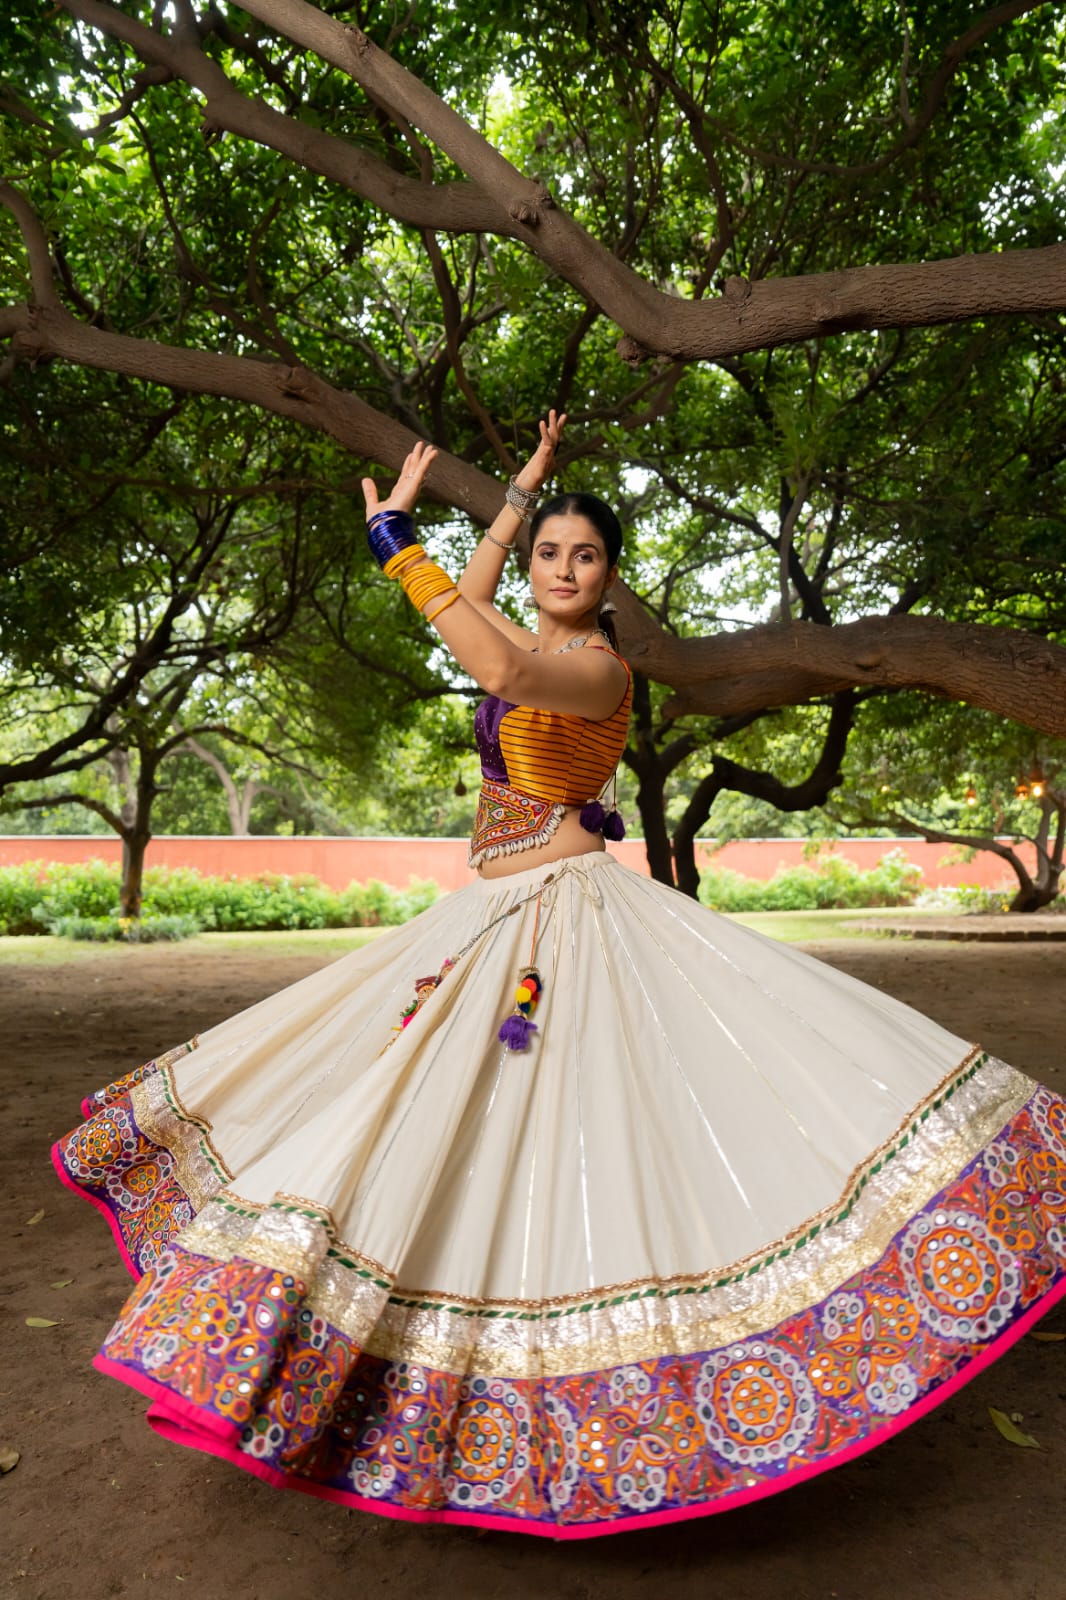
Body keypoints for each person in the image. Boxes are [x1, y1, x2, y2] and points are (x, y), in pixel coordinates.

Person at [53, 414, 1066, 1540]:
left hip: (566, 926)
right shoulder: (530, 622)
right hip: (495, 919)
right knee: (442, 1113)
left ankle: (589, 1379)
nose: (564, 570)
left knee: (561, 1118)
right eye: (550, 554)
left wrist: (394, 541)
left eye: (585, 557)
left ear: (610, 577)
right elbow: (474, 609)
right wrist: (513, 501)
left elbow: (493, 661)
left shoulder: (597, 669)